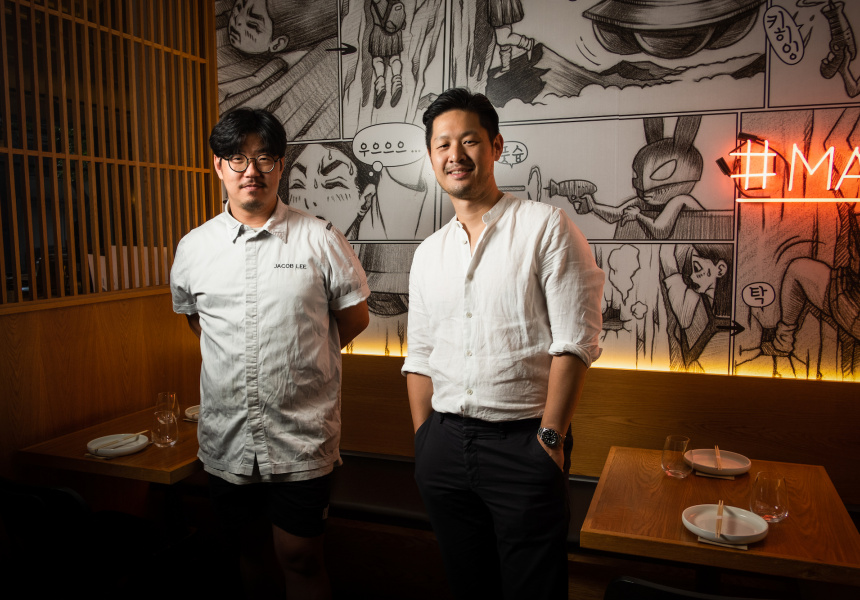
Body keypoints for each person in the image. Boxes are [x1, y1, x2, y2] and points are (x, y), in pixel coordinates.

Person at [402, 88, 605, 599]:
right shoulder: (428, 253)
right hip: (444, 445)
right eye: (443, 145)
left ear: (495, 146)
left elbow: (575, 342)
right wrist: (424, 440)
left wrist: (550, 441)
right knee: (468, 588)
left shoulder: (545, 226)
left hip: (524, 444)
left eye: (469, 140)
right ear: (431, 156)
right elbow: (419, 355)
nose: (455, 155)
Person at [170, 107, 370, 599]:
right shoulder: (194, 247)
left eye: (264, 158)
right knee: (248, 551)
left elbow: (354, 319)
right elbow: (199, 323)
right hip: (228, 437)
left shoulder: (320, 237)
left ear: (281, 165)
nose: (251, 171)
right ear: (218, 165)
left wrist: (300, 355)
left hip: (300, 436)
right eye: (237, 159)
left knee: (301, 557)